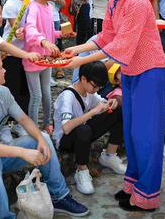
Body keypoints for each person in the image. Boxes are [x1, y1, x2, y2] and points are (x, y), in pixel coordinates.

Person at [65, 0, 165, 212]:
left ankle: (147, 194)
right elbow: (106, 35)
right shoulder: (115, 0)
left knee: (146, 135)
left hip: (149, 71)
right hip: (132, 71)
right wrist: (76, 50)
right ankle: (134, 186)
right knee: (133, 133)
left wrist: (79, 63)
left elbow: (121, 45)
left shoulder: (138, 2)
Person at [0, 51, 89, 218]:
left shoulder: (2, 92)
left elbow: (24, 119)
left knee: (44, 138)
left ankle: (59, 196)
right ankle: (3, 216)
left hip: (1, 155)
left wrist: (40, 139)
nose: (5, 70)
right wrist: (22, 152)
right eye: (1, 68)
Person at [53, 61, 125, 195]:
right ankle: (82, 170)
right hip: (65, 140)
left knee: (119, 109)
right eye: (95, 86)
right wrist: (92, 112)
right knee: (83, 129)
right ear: (83, 78)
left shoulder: (89, 92)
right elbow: (66, 128)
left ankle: (109, 155)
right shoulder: (68, 96)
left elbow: (101, 102)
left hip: (82, 134)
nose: (97, 89)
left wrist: (110, 103)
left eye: (100, 87)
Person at [23, 0, 71, 132]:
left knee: (47, 93)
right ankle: (33, 129)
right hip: (33, 58)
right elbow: (29, 30)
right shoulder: (33, 6)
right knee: (36, 96)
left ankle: (46, 123)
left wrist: (62, 33)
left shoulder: (50, 7)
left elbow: (49, 32)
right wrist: (43, 42)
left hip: (46, 59)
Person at [1, 0, 34, 120]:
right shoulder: (10, 4)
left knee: (26, 87)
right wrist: (24, 32)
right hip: (12, 51)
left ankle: (23, 120)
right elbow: (17, 28)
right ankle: (9, 121)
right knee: (12, 87)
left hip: (27, 51)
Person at [43, 0, 67, 79]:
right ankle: (45, 69)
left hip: (55, 18)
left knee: (55, 44)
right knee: (43, 44)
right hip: (42, 18)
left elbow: (64, 4)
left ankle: (58, 69)